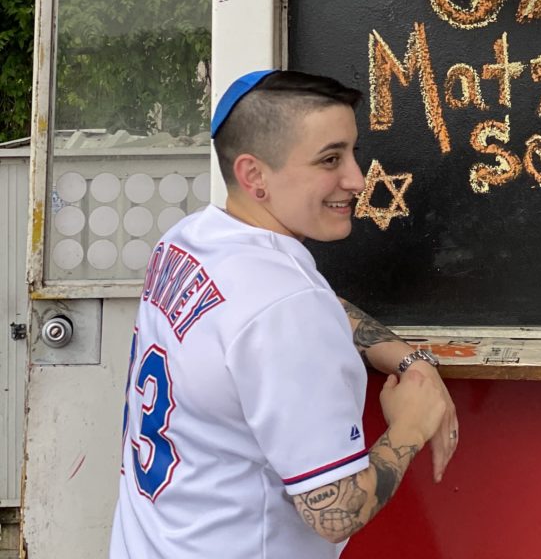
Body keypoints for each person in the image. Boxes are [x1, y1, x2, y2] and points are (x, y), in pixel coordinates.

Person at [110, 69, 458, 559]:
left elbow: (300, 306)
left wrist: (403, 356)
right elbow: (334, 512)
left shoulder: (190, 240)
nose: (357, 179)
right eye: (330, 159)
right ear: (254, 175)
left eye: (353, 152)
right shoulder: (284, 307)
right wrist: (412, 425)